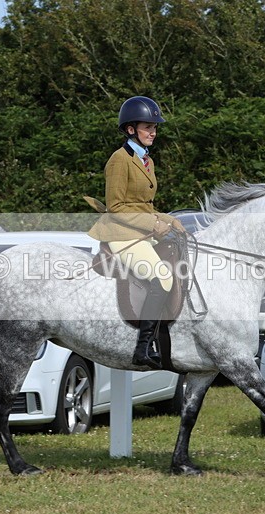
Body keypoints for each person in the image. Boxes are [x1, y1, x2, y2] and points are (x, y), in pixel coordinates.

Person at [87, 96, 184, 369]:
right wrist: (153, 225)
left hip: (139, 230)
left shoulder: (146, 160)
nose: (153, 132)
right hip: (121, 233)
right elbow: (117, 207)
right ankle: (142, 348)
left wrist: (169, 220)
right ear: (130, 129)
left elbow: (144, 205)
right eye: (147, 127)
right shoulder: (119, 160)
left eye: (155, 127)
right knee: (162, 276)